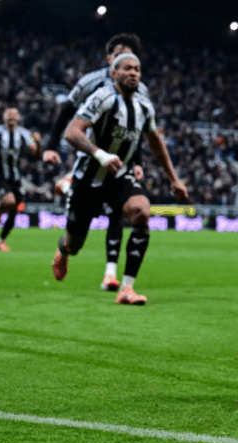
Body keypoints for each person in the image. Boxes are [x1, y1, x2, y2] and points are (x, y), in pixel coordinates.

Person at [51, 53, 188, 305]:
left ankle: (127, 288)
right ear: (114, 73)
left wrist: (174, 179)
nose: (133, 73)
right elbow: (72, 131)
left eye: (137, 69)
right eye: (127, 68)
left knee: (141, 211)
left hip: (118, 177)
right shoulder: (102, 97)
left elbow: (156, 142)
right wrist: (100, 154)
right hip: (88, 179)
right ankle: (63, 251)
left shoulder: (144, 106)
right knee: (74, 244)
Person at [45, 33, 149, 292]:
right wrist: (50, 146)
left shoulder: (140, 90)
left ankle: (111, 275)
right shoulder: (91, 82)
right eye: (119, 54)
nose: (126, 60)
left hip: (119, 166)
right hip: (89, 159)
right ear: (109, 58)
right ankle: (64, 245)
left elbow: (137, 128)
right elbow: (67, 115)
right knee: (75, 243)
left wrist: (137, 161)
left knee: (122, 212)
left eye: (131, 56)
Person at [0, 108, 61, 251]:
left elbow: (36, 154)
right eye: (8, 115)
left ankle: (1, 240)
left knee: (15, 208)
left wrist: (39, 143)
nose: (11, 117)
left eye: (14, 115)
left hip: (15, 176)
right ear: (3, 117)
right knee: (10, 201)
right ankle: (0, 207)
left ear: (18, 117)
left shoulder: (24, 134)